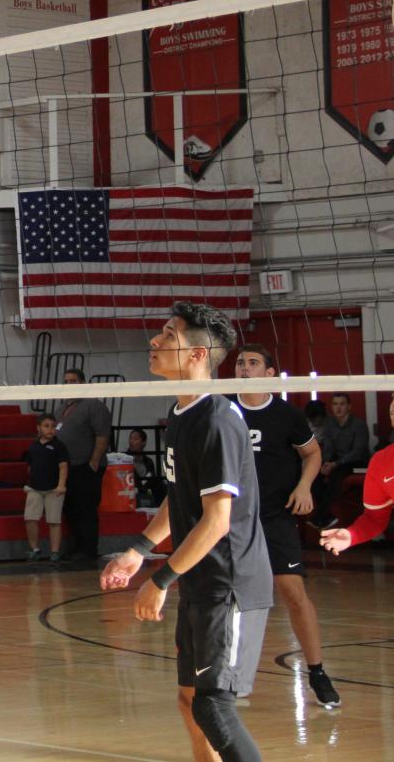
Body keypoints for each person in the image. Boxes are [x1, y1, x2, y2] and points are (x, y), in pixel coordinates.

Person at [101, 302, 272, 762]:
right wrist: (139, 550)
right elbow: (180, 501)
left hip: (230, 583)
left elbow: (216, 522)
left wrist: (159, 581)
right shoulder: (181, 414)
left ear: (197, 354)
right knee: (189, 701)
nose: (154, 342)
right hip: (202, 579)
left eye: (168, 335)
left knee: (213, 706)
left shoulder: (216, 420)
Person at [234, 346, 339, 707]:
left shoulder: (286, 415)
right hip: (230, 518)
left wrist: (305, 485)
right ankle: (229, 678)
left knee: (294, 594)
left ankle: (318, 672)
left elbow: (312, 453)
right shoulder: (222, 410)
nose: (245, 368)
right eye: (240, 363)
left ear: (269, 373)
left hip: (274, 515)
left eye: (252, 363)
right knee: (229, 599)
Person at [320, 396, 394, 555]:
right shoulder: (381, 462)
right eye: (393, 413)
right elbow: (374, 519)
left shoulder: (358, 427)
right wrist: (351, 535)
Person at [57, 368, 111, 561]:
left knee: (86, 509)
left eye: (72, 381)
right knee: (71, 509)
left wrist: (94, 463)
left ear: (82, 383)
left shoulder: (93, 405)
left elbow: (102, 435)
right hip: (68, 468)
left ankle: (88, 550)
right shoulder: (63, 408)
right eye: (66, 381)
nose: (68, 384)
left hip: (86, 467)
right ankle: (76, 548)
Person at [311, 393, 370, 527]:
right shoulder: (330, 423)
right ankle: (326, 516)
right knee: (314, 474)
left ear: (349, 407)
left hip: (357, 462)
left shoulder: (359, 425)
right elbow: (328, 448)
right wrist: (325, 463)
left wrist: (334, 464)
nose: (338, 408)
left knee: (337, 473)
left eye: (342, 404)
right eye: (335, 404)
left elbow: (357, 452)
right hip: (335, 461)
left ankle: (319, 516)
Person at [22, 414, 68, 563]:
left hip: (53, 489)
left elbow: (63, 466)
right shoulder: (33, 446)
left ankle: (54, 552)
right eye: (46, 426)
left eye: (53, 426)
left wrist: (61, 485)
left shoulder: (59, 446)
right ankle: (34, 549)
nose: (50, 429)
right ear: (39, 428)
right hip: (35, 488)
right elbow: (30, 466)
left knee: (54, 521)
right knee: (30, 518)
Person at [125, 429, 166, 508]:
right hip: (134, 491)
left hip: (147, 490)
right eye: (130, 438)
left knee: (162, 486)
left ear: (143, 442)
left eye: (135, 439)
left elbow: (152, 477)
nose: (131, 441)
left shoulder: (148, 461)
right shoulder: (125, 460)